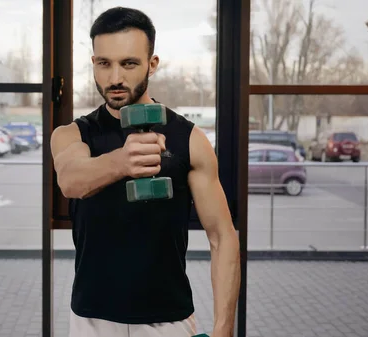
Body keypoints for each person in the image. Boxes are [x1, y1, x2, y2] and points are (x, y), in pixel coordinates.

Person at [51, 6, 241, 337]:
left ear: (152, 64)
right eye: (103, 63)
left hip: (168, 321)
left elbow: (222, 237)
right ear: (93, 63)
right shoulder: (72, 134)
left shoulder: (189, 139)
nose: (115, 78)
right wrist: (121, 162)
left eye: (128, 63)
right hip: (91, 320)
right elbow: (71, 181)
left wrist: (224, 328)